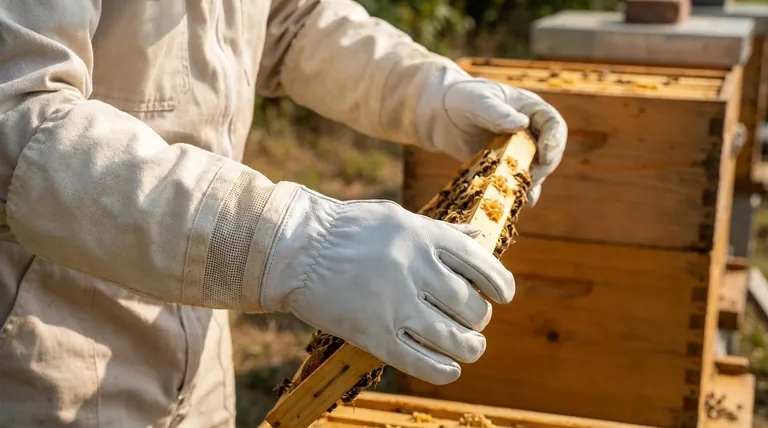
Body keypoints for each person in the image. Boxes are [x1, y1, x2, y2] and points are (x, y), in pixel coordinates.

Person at [0, 1, 567, 426]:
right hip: (45, 363)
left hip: (199, 357)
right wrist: (294, 243)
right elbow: (16, 124)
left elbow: (290, 21)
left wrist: (428, 91)